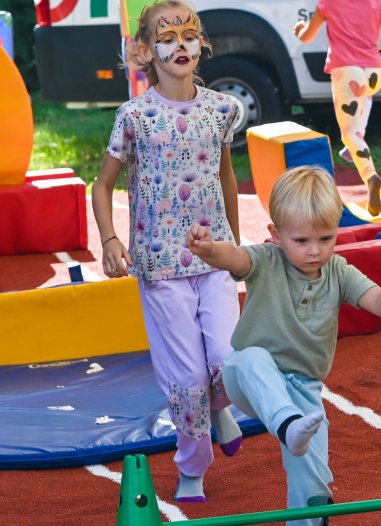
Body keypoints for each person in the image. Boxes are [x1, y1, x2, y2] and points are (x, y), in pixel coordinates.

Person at [186, 165, 381, 525]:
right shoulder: (266, 260)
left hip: (305, 391)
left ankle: (308, 515)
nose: (315, 251)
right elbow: (232, 258)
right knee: (251, 359)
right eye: (302, 241)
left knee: (312, 480)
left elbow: (378, 304)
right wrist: (208, 249)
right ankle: (287, 423)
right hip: (247, 377)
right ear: (276, 235)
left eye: (326, 239)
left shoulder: (339, 271)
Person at [92, 0, 243, 503]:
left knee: (227, 360)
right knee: (187, 377)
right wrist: (111, 240)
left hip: (215, 260)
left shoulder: (221, 109)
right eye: (168, 35)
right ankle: (193, 467)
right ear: (144, 50)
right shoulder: (134, 116)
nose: (180, 44)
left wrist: (237, 251)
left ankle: (218, 408)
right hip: (161, 267)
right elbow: (102, 185)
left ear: (202, 44)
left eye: (190, 34)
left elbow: (225, 177)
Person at [293, 0, 381, 217]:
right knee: (362, 103)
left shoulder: (328, 3)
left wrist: (300, 30)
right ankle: (356, 145)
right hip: (375, 71)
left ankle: (370, 176)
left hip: (347, 71)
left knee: (349, 133)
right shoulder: (378, 2)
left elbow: (308, 36)